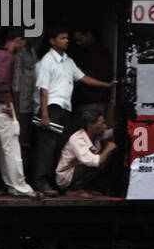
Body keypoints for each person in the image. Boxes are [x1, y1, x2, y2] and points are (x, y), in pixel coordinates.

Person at [31, 29, 115, 196]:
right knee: (46, 147)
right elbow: (43, 90)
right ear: (52, 41)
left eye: (66, 38)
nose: (66, 41)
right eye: (62, 38)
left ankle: (55, 183)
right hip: (51, 108)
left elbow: (83, 78)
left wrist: (105, 85)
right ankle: (40, 183)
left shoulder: (68, 61)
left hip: (64, 108)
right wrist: (45, 115)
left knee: (58, 147)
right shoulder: (47, 61)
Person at [0, 34, 36, 198]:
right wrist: (9, 105)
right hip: (3, 105)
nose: (23, 47)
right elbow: (2, 82)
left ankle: (12, 185)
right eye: (23, 43)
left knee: (5, 148)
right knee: (12, 148)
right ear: (18, 40)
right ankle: (21, 186)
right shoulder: (6, 56)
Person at [56, 105, 118, 197]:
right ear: (90, 126)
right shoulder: (78, 139)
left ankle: (88, 188)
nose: (104, 127)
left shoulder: (95, 134)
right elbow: (94, 162)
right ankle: (72, 190)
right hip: (66, 177)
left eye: (104, 123)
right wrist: (108, 149)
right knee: (99, 162)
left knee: (106, 159)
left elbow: (108, 133)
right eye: (101, 124)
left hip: (78, 169)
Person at [11, 33, 38, 180]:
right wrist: (16, 110)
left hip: (32, 104)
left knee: (27, 142)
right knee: (19, 142)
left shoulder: (32, 51)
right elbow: (15, 83)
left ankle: (25, 176)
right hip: (21, 105)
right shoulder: (19, 54)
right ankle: (18, 177)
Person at [71, 27, 112, 111]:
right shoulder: (80, 53)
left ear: (88, 35)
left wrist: (82, 72)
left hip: (94, 101)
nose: (78, 43)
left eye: (80, 39)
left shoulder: (101, 54)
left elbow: (104, 76)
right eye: (76, 41)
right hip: (80, 102)